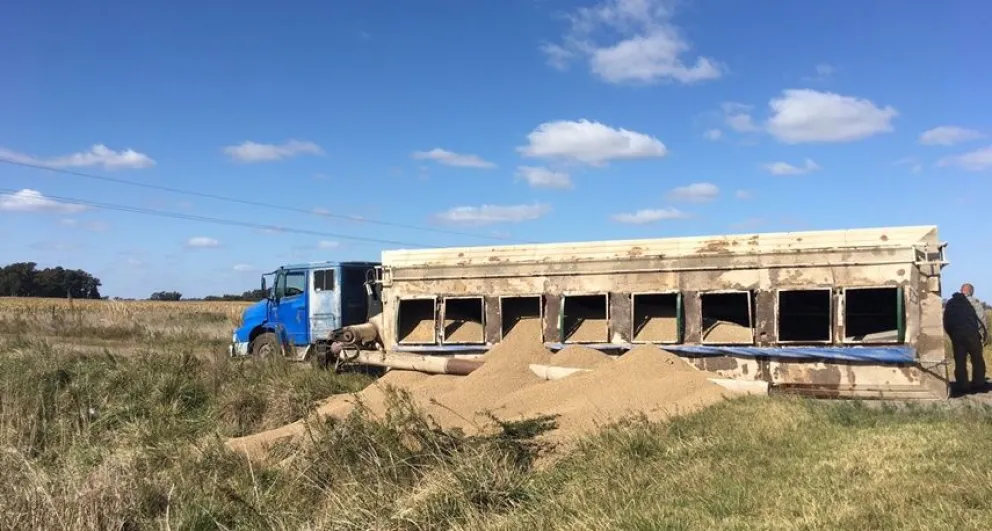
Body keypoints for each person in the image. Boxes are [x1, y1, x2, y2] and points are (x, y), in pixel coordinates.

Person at [943, 283, 989, 392]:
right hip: (972, 335)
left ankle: (962, 384)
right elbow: (982, 320)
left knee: (960, 361)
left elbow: (946, 320)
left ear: (961, 290)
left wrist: (951, 334)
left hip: (957, 335)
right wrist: (983, 336)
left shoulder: (951, 303)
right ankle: (978, 383)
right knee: (977, 359)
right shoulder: (974, 302)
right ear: (971, 292)